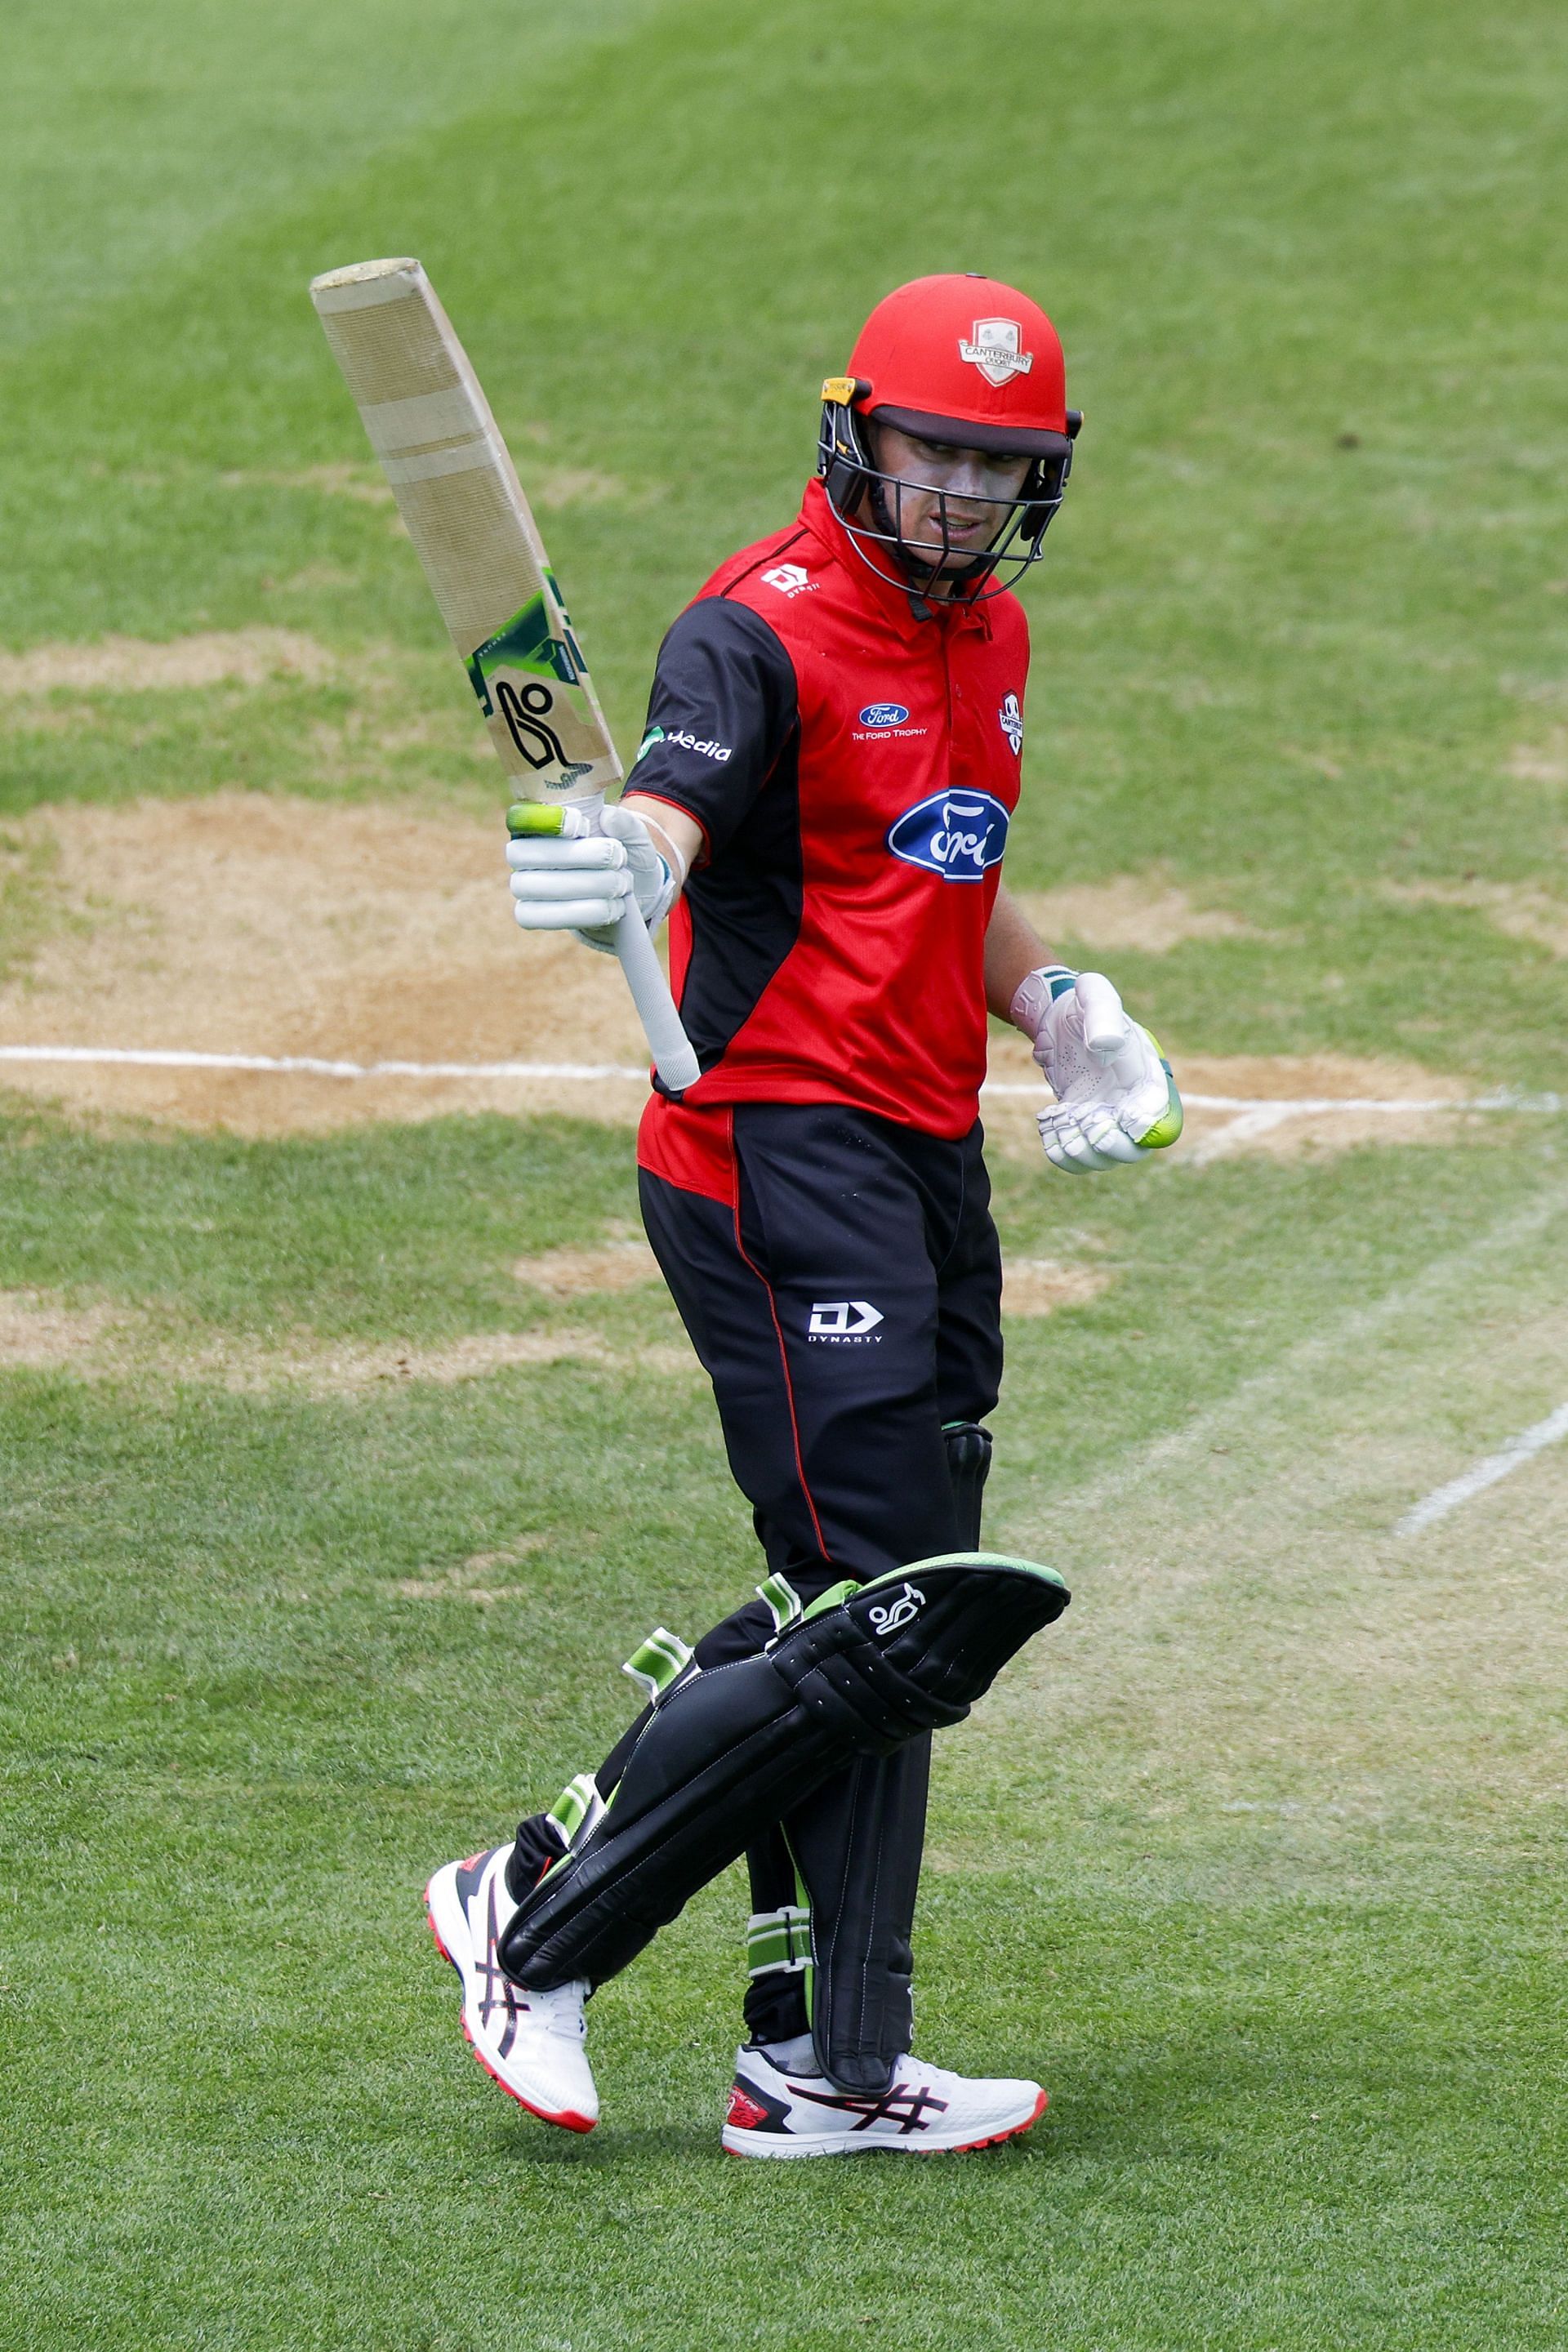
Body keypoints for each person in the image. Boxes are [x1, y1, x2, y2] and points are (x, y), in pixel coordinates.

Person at [425, 274, 1183, 2158]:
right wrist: (627, 863)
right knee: (900, 1597)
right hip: (771, 1152)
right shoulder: (745, 634)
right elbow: (680, 806)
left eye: (995, 467)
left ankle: (825, 2069)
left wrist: (1066, 1008)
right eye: (931, 452)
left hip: (926, 1158)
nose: (953, 496)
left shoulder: (989, 632)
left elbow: (945, 865)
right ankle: (538, 1923)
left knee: (892, 1601)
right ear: (859, 434)